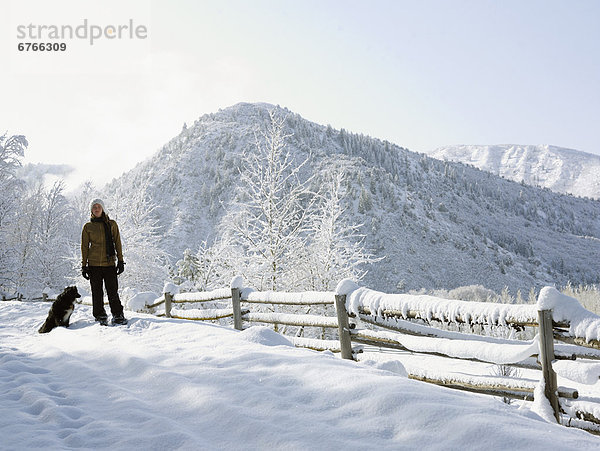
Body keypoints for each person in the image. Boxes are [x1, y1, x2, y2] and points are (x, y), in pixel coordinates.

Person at [81, 198, 128, 326]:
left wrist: (121, 260)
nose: (96, 209)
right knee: (97, 292)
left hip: (109, 264)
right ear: (91, 210)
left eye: (99, 206)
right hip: (94, 264)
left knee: (112, 290)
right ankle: (100, 315)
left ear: (103, 208)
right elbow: (84, 246)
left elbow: (117, 242)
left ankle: (118, 314)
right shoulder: (88, 227)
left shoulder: (112, 224)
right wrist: (84, 265)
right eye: (94, 207)